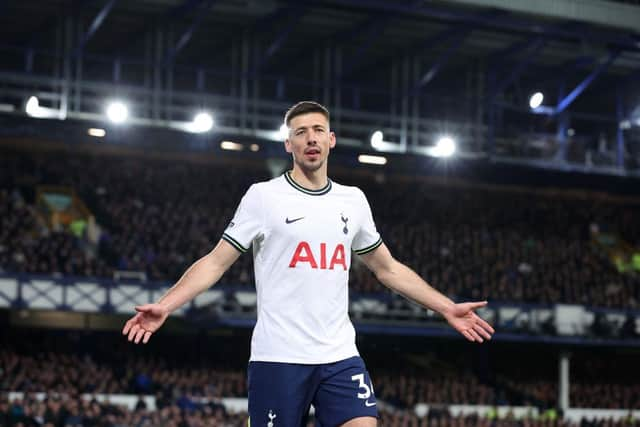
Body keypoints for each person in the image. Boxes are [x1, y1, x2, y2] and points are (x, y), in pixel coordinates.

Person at [122, 101, 495, 426]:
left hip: (339, 355)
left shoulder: (353, 201)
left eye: (318, 130)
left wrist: (446, 306)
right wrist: (166, 305)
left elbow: (388, 268)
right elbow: (216, 262)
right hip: (278, 357)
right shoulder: (264, 197)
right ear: (289, 144)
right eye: (300, 132)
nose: (311, 138)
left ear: (331, 139)